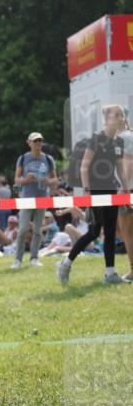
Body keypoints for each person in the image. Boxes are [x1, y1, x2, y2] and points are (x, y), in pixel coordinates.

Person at [57, 104, 130, 285]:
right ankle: (65, 264)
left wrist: (126, 189)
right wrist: (88, 191)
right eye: (117, 115)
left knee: (111, 232)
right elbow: (84, 167)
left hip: (112, 191)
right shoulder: (96, 139)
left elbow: (120, 168)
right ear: (107, 119)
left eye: (122, 115)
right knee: (94, 232)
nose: (122, 118)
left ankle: (110, 273)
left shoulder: (119, 141)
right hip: (95, 191)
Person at [11, 132, 59, 269]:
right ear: (29, 143)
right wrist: (26, 180)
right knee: (23, 228)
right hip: (27, 197)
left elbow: (55, 179)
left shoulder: (48, 159)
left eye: (40, 141)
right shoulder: (23, 158)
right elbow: (16, 179)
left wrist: (48, 181)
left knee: (38, 229)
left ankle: (34, 258)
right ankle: (18, 259)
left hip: (43, 197)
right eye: (35, 141)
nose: (38, 143)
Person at [116, 110, 133, 281]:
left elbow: (129, 163)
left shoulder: (124, 137)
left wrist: (123, 187)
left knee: (127, 232)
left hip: (127, 190)